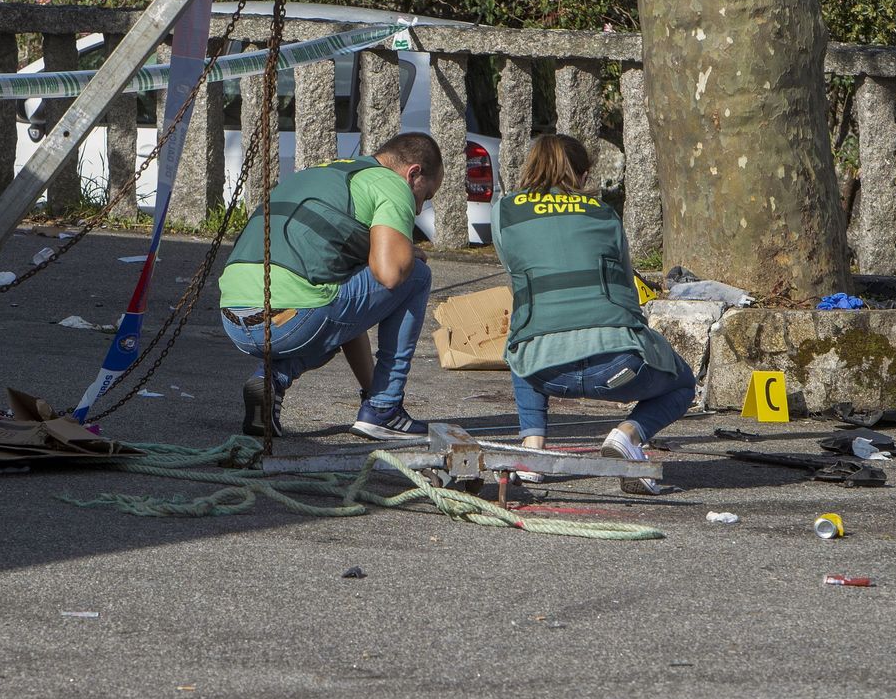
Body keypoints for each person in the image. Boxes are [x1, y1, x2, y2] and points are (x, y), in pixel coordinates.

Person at [490, 133, 695, 494]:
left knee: (525, 335)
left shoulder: (505, 210)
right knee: (682, 383)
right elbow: (627, 289)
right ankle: (627, 434)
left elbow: (516, 270)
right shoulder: (603, 213)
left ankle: (532, 452)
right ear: (582, 177)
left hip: (545, 371)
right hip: (618, 368)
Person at [218, 132, 442, 440]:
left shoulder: (323, 172)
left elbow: (354, 316)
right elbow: (390, 274)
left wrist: (369, 392)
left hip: (233, 317)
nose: (418, 211)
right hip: (292, 320)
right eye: (424, 196)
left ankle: (271, 380)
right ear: (413, 173)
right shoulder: (391, 183)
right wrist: (402, 252)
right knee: (416, 275)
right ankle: (385, 409)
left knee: (336, 303)